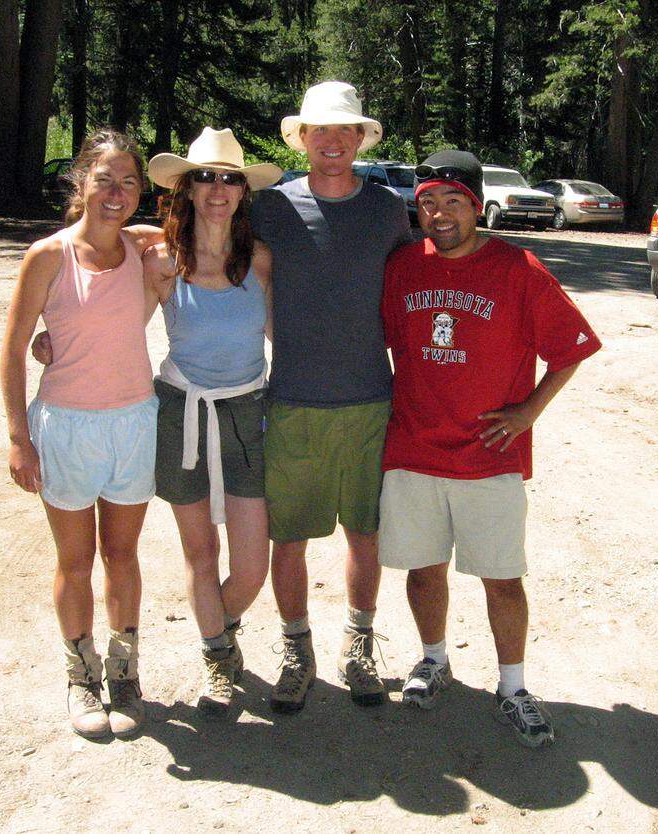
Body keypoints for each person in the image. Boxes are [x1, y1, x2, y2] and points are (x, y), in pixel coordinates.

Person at [378, 149, 601, 747]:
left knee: (502, 579)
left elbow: (573, 345)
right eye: (428, 202)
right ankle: (433, 659)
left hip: (488, 455)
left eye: (454, 201)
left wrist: (529, 411)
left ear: (477, 206)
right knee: (424, 570)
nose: (440, 214)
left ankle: (513, 686)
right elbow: (389, 346)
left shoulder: (518, 268)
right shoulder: (403, 267)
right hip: (414, 448)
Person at [249, 81, 411, 712]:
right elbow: (204, 254)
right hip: (291, 399)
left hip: (372, 399)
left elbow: (418, 283)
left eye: (346, 131)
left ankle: (359, 644)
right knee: (287, 538)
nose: (334, 141)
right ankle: (296, 648)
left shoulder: (386, 210)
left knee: (364, 534)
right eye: (322, 130)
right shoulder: (270, 208)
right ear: (303, 139)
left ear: (360, 139)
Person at [0, 129, 164, 740]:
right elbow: (15, 350)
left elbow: (191, 229)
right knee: (74, 560)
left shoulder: (146, 251)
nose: (116, 192)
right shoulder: (48, 255)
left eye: (129, 181)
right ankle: (80, 674)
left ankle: (124, 673)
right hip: (65, 428)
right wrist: (20, 436)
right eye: (105, 178)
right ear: (81, 183)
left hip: (133, 423)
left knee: (122, 555)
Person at [145, 128, 280, 717]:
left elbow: (284, 335)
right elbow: (111, 316)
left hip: (248, 411)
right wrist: (55, 341)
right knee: (202, 552)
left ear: (243, 191)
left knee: (251, 567)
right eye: (206, 177)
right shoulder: (162, 261)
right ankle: (216, 658)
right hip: (181, 410)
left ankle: (219, 628)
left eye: (230, 178)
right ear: (187, 188)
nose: (218, 188)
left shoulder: (262, 261)